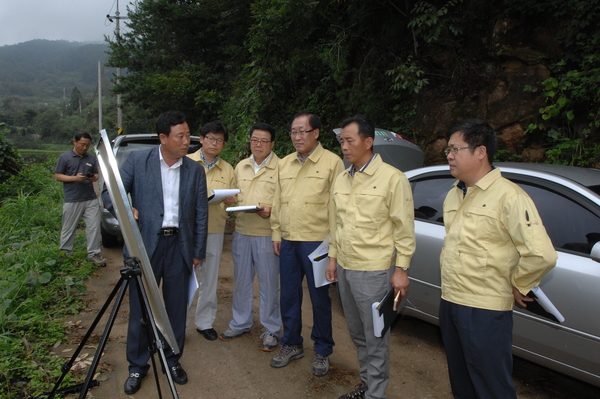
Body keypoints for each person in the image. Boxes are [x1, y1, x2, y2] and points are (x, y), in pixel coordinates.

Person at [439, 118, 557, 399]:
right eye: (448, 150)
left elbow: (542, 254)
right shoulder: (454, 193)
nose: (449, 155)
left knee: (491, 386)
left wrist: (520, 282)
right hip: (451, 300)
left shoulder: (510, 197)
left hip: (484, 309)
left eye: (455, 149)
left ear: (481, 152)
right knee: (462, 382)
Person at [103, 111, 208, 395]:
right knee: (141, 309)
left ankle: (172, 359)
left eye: (188, 135)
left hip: (179, 248)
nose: (187, 141)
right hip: (145, 246)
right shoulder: (138, 161)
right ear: (163, 138)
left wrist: (198, 251)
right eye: (181, 136)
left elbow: (200, 213)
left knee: (175, 308)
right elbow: (109, 192)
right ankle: (138, 365)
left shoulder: (195, 170)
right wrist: (125, 208)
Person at [326, 115, 415, 399]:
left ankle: (375, 394)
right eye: (341, 141)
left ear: (368, 141)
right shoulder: (342, 177)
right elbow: (335, 224)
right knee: (357, 334)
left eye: (350, 140)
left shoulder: (392, 178)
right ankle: (366, 385)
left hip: (375, 271)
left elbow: (404, 229)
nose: (344, 146)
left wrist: (402, 268)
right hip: (346, 269)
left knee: (375, 336)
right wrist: (332, 258)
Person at [270, 111, 344, 376]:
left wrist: (333, 246)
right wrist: (276, 233)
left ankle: (323, 349)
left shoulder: (333, 162)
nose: (297, 137)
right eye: (293, 132)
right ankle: (291, 343)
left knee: (320, 299)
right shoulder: (285, 163)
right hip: (289, 240)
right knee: (289, 295)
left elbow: (338, 208)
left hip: (317, 242)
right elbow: (278, 201)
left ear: (316, 133)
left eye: (302, 131)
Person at [219, 123, 282, 351]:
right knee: (242, 282)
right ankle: (241, 322)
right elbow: (237, 196)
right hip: (242, 232)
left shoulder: (281, 168)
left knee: (268, 284)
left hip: (267, 235)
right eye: (255, 139)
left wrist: (272, 211)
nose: (258, 144)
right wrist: (230, 200)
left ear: (272, 144)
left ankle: (271, 329)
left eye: (264, 140)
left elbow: (286, 202)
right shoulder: (241, 166)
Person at [187, 121, 235, 341]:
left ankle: (204, 323)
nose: (215, 143)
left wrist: (230, 201)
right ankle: (176, 322)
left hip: (214, 229)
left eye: (220, 140)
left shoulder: (228, 169)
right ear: (202, 139)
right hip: (187, 230)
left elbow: (232, 205)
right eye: (211, 138)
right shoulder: (186, 162)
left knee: (210, 279)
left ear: (224, 144)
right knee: (184, 277)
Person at [54, 132, 106, 266]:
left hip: (90, 198)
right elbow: (58, 176)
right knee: (68, 228)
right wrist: (75, 178)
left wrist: (92, 177)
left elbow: (96, 175)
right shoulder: (64, 157)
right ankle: (65, 254)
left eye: (87, 145)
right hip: (72, 198)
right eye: (82, 144)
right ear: (75, 142)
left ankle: (94, 254)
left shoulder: (91, 158)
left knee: (94, 227)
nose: (85, 147)